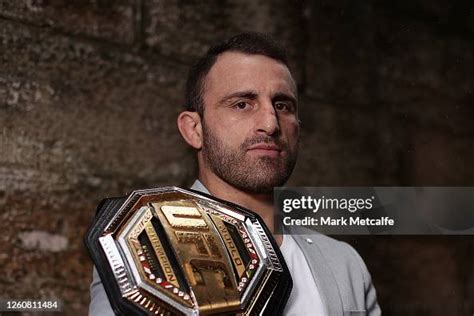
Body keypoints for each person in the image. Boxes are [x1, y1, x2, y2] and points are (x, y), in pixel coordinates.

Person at [89, 32, 381, 315]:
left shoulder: (344, 263)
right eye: (242, 104)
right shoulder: (143, 244)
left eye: (282, 105)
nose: (270, 123)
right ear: (194, 129)